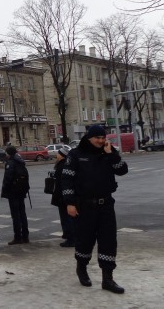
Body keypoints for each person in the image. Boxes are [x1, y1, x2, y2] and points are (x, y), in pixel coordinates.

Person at [61, 125, 128, 294]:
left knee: (108, 241)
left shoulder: (108, 153)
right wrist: (69, 203)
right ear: (89, 138)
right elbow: (66, 180)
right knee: (85, 240)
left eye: (102, 137)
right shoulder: (76, 154)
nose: (100, 140)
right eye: (97, 137)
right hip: (84, 206)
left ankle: (108, 279)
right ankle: (81, 268)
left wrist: (111, 155)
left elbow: (122, 170)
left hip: (105, 205)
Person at [1, 146, 29, 245]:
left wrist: (4, 190)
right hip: (22, 191)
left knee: (15, 215)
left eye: (6, 153)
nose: (5, 154)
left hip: (13, 192)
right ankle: (25, 236)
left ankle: (18, 237)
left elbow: (7, 179)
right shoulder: (21, 162)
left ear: (9, 153)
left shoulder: (11, 163)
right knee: (22, 214)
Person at [50, 147, 75, 247]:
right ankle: (67, 235)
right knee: (66, 217)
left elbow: (62, 183)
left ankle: (71, 239)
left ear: (62, 155)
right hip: (63, 195)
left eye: (58, 153)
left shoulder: (62, 166)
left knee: (66, 218)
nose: (57, 155)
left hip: (62, 196)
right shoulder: (64, 164)